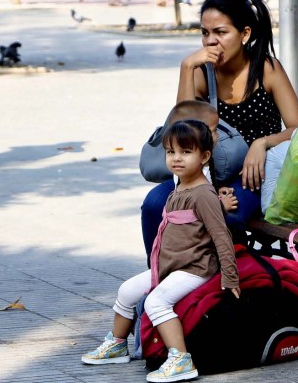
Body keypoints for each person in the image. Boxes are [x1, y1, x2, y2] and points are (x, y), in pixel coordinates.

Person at [141, 0, 298, 251]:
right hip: (206, 172)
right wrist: (187, 67)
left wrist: (261, 144)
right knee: (153, 205)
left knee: (228, 215)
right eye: (205, 33)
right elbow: (183, 128)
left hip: (251, 176)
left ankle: (220, 281)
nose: (210, 41)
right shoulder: (203, 72)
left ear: (245, 34)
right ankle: (161, 280)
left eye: (220, 32)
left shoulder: (266, 69)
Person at [82, 120, 240, 383]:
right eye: (170, 152)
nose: (176, 159)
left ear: (204, 157)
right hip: (169, 266)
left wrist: (230, 276)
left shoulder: (202, 194)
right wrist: (220, 204)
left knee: (157, 302)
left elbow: (220, 234)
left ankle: (180, 360)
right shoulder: (180, 187)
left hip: (194, 268)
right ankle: (118, 344)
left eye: (186, 152)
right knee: (126, 291)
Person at [141, 100, 238, 267]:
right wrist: (221, 206)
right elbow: (194, 204)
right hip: (183, 251)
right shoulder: (185, 169)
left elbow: (204, 186)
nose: (217, 136)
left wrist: (216, 191)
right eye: (213, 130)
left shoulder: (199, 159)